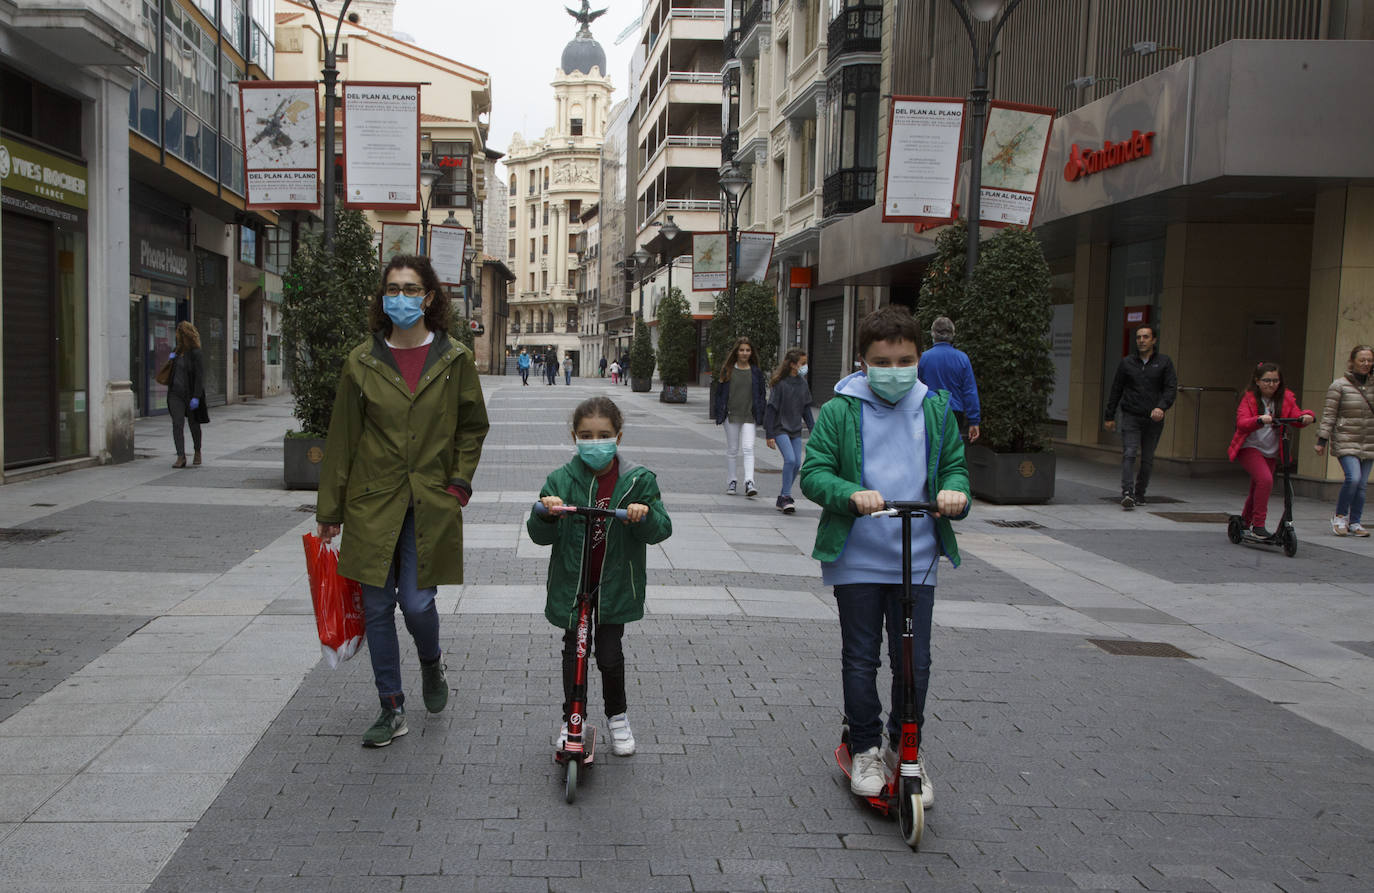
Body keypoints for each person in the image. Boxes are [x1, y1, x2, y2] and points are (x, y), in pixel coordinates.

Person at [316, 254, 490, 748]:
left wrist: (459, 482)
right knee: (376, 609)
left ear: (429, 297)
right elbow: (342, 437)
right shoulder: (362, 360)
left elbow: (473, 426)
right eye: (392, 289)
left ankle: (431, 663)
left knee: (416, 605)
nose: (401, 297)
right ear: (382, 298)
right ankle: (390, 707)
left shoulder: (454, 358)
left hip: (431, 500)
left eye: (411, 289)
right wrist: (330, 510)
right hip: (372, 501)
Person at [800, 304, 969, 808]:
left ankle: (906, 745)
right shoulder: (839, 409)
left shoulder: (936, 409)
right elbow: (814, 472)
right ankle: (867, 746)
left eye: (904, 360)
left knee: (915, 658)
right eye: (883, 361)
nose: (894, 371)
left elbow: (956, 467)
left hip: (917, 557)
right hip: (857, 555)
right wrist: (850, 493)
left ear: (919, 357)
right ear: (862, 361)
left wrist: (955, 493)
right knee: (861, 655)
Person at [527, 396, 673, 756]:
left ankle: (617, 717)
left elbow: (660, 530)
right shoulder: (561, 480)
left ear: (618, 438)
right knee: (573, 652)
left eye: (603, 435)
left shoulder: (637, 481)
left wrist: (644, 513)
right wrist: (546, 513)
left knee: (609, 654)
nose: (595, 442)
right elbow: (539, 535)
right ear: (574, 437)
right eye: (586, 435)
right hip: (573, 586)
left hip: (614, 587)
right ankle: (571, 719)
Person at [1227, 362, 1314, 538]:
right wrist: (1258, 419)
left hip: (1271, 451)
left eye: (1275, 380)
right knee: (1265, 480)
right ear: (1257, 381)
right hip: (1250, 447)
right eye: (1267, 380)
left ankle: (1245, 519)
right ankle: (1258, 525)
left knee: (1257, 487)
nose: (1271, 384)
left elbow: (1296, 417)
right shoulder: (1249, 398)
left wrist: (1306, 416)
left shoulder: (1286, 398)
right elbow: (1242, 423)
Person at [1104, 323, 1178, 509]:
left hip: (1153, 418)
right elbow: (1116, 389)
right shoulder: (1127, 363)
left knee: (1147, 458)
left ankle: (1140, 493)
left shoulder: (1164, 362)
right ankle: (1127, 493)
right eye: (1138, 337)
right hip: (1131, 415)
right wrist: (1109, 415)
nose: (1141, 340)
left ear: (1154, 340)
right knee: (1129, 453)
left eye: (1145, 337)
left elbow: (1170, 389)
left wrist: (1161, 407)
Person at [1315, 344, 1374, 536]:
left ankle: (1355, 522)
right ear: (1352, 362)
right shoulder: (1339, 386)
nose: (1366, 363)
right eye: (1362, 360)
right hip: (1346, 439)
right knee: (1353, 478)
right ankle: (1340, 516)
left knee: (1363, 485)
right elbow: (1329, 414)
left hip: (1369, 441)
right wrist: (1322, 440)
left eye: (1370, 360)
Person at [712, 337, 766, 498]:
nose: (744, 353)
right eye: (741, 350)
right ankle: (732, 480)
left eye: (747, 350)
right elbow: (719, 393)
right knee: (733, 449)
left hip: (750, 415)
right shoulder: (728, 369)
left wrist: (761, 411)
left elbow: (761, 394)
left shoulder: (756, 371)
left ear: (751, 352)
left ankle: (749, 481)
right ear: (736, 351)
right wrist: (719, 411)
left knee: (748, 448)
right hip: (731, 415)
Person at [764, 348, 815, 514]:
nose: (805, 367)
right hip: (780, 428)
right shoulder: (780, 384)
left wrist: (813, 429)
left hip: (795, 428)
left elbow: (807, 409)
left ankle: (782, 497)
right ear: (793, 364)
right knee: (791, 460)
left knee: (797, 463)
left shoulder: (802, 383)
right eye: (803, 363)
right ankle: (786, 495)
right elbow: (771, 409)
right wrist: (769, 434)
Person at [916, 317, 981, 442]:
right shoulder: (962, 359)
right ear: (953, 334)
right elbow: (969, 391)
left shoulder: (923, 358)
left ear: (932, 334)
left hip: (930, 410)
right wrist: (974, 421)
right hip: (955, 412)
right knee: (952, 451)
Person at [167, 320, 208, 468]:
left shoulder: (196, 353)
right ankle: (180, 456)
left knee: (194, 424)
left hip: (190, 394)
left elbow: (199, 376)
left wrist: (196, 397)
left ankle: (197, 451)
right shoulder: (176, 352)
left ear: (186, 335)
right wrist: (171, 360)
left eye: (179, 334)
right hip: (175, 394)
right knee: (177, 424)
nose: (177, 337)